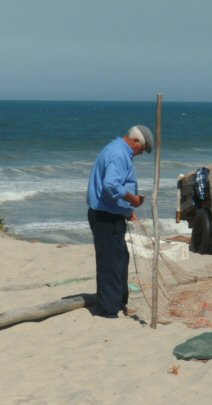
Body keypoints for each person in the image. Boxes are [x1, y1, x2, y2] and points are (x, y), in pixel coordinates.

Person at [86, 125, 153, 317]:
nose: (141, 153)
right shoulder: (118, 153)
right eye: (142, 149)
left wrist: (126, 211)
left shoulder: (120, 151)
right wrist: (131, 199)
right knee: (110, 262)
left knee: (120, 258)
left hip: (111, 213)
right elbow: (111, 185)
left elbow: (114, 189)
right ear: (135, 142)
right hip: (104, 217)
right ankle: (108, 308)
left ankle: (117, 301)